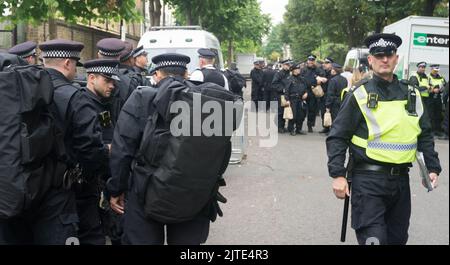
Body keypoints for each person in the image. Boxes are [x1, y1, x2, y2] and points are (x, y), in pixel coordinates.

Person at [327, 33, 441, 245]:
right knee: (375, 241)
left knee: (397, 240)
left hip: (400, 182)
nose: (384, 59)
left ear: (396, 58)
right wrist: (338, 174)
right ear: (370, 60)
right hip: (367, 182)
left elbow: (424, 134)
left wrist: (432, 168)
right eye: (379, 55)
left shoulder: (412, 94)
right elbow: (338, 136)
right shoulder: (359, 94)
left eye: (389, 54)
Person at [107, 53, 230, 244]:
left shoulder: (142, 98)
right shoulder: (204, 102)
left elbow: (122, 149)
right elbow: (221, 151)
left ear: (156, 75)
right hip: (194, 194)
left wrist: (116, 189)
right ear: (186, 74)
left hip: (145, 190)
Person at [39, 39, 111, 244]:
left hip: (22, 187)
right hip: (62, 194)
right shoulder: (75, 97)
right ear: (68, 64)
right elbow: (91, 148)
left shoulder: (23, 90)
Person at [301, 55, 324, 133]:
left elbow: (322, 77)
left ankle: (310, 125)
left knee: (312, 110)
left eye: (312, 60)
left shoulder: (318, 70)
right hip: (304, 91)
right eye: (309, 60)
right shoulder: (303, 70)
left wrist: (319, 80)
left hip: (313, 91)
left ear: (314, 61)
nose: (311, 61)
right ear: (307, 61)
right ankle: (299, 125)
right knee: (302, 109)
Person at [285, 63, 309, 135]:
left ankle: (299, 129)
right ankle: (291, 129)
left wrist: (306, 93)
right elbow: (286, 90)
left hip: (301, 99)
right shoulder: (290, 79)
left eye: (299, 69)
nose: (299, 70)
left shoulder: (302, 79)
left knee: (301, 115)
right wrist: (287, 100)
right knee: (293, 115)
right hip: (293, 99)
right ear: (293, 70)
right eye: (297, 69)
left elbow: (306, 88)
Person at [272, 59, 293, 133]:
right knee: (280, 111)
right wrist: (283, 89)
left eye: (289, 65)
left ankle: (288, 127)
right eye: (287, 65)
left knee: (288, 110)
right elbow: (274, 84)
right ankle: (280, 127)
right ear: (283, 65)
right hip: (281, 95)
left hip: (290, 95)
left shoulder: (290, 73)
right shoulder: (279, 74)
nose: (288, 66)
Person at [428, 64, 447, 136]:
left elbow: (445, 86)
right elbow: (425, 86)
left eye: (437, 70)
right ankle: (431, 131)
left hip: (438, 98)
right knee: (430, 115)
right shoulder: (428, 77)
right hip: (430, 98)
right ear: (431, 69)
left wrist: (441, 90)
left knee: (438, 115)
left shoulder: (441, 78)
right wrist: (433, 90)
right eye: (434, 70)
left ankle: (437, 130)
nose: (436, 72)